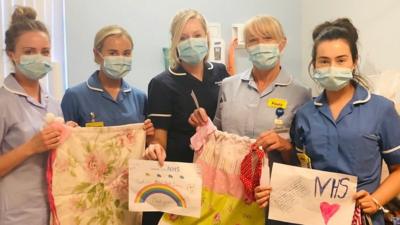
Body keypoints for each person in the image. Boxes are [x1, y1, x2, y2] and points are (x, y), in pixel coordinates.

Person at [266, 18, 400, 225]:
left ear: (354, 62)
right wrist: (273, 191)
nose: (332, 67)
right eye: (324, 61)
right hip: (314, 216)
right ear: (315, 65)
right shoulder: (305, 114)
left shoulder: (381, 110)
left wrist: (376, 199)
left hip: (362, 217)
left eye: (341, 60)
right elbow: (300, 169)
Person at [188, 15, 311, 225]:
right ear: (246, 46)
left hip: (273, 196)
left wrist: (285, 146)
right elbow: (214, 137)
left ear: (282, 44)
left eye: (267, 38)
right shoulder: (228, 85)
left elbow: (305, 158)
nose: (260, 45)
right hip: (227, 196)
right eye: (253, 40)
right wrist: (202, 124)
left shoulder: (300, 93)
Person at [143, 9, 230, 224]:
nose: (191, 42)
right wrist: (155, 148)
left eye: (197, 35)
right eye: (183, 38)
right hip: (181, 178)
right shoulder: (162, 84)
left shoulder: (220, 73)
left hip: (218, 178)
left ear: (207, 38)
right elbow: (159, 140)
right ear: (174, 43)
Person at [0, 6, 74, 224]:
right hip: (16, 215)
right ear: (12, 54)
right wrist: (30, 147)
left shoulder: (53, 104)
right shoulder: (4, 102)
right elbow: (35, 146)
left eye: (45, 51)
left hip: (52, 212)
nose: (39, 58)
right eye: (29, 51)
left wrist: (69, 137)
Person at [61, 25, 153, 130]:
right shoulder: (74, 96)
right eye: (113, 53)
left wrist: (149, 135)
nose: (120, 58)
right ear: (96, 54)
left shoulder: (140, 98)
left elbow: (145, 142)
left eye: (126, 53)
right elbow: (63, 141)